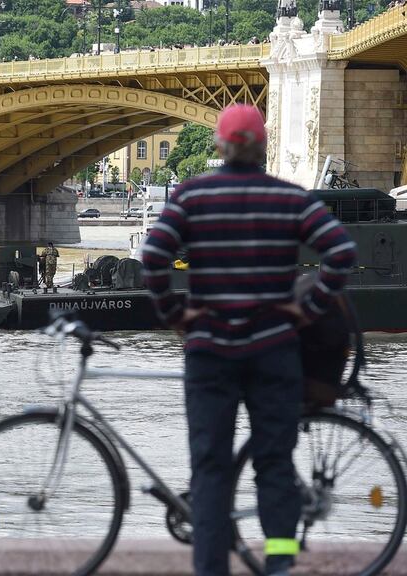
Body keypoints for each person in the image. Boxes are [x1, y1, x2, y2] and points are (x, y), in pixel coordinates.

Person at [141, 104, 356, 576]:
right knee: (273, 462)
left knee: (211, 468)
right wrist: (306, 309)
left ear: (219, 146)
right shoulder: (289, 198)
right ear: (262, 148)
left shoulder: (192, 196)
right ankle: (278, 561)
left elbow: (153, 255)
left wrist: (177, 315)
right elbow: (340, 250)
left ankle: (211, 568)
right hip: (273, 352)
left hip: (209, 353)